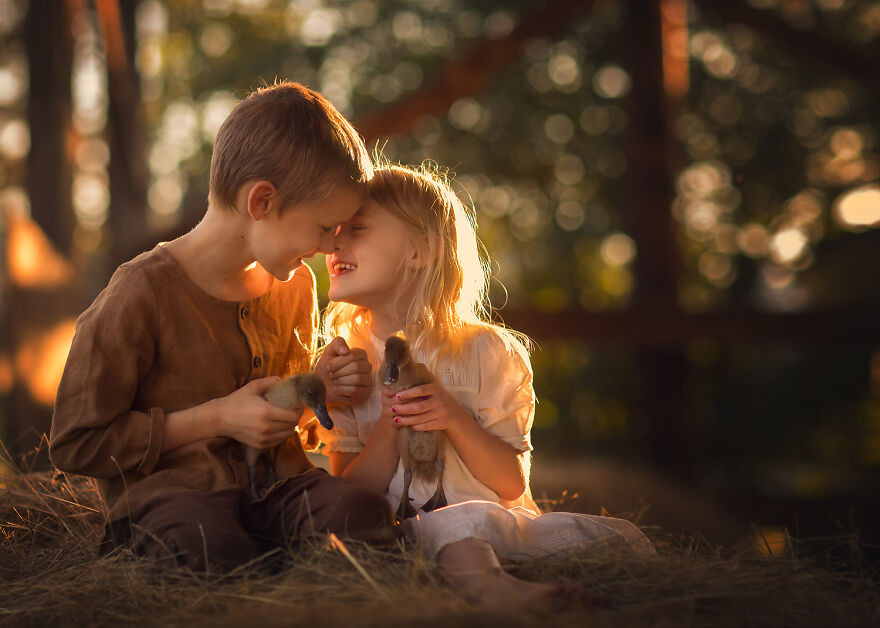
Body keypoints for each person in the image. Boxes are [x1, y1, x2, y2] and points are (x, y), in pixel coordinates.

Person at [49, 81, 396, 572]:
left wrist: (323, 390)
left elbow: (280, 417)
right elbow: (75, 443)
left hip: (277, 489)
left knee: (363, 514)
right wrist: (216, 418)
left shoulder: (294, 285)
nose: (327, 248)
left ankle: (268, 555)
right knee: (208, 550)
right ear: (262, 202)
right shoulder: (140, 292)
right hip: (176, 498)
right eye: (323, 228)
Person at [319, 163, 654, 609]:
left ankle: (504, 580)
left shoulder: (487, 352)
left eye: (357, 229)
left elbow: (511, 484)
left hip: (494, 524)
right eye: (333, 230)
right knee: (443, 527)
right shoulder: (344, 366)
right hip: (400, 537)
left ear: (422, 250)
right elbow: (349, 492)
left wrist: (454, 418)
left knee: (609, 538)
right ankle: (498, 591)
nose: (334, 243)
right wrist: (387, 424)